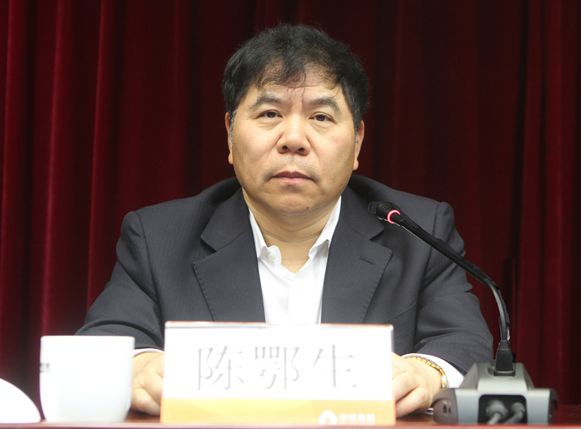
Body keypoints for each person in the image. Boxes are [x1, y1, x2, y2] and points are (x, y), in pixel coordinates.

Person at [78, 24, 492, 417]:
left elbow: (465, 343)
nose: (293, 139)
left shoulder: (416, 231)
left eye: (321, 117)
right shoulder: (159, 239)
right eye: (270, 113)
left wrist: (426, 373)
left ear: (357, 142)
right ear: (229, 133)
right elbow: (105, 341)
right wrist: (139, 365)